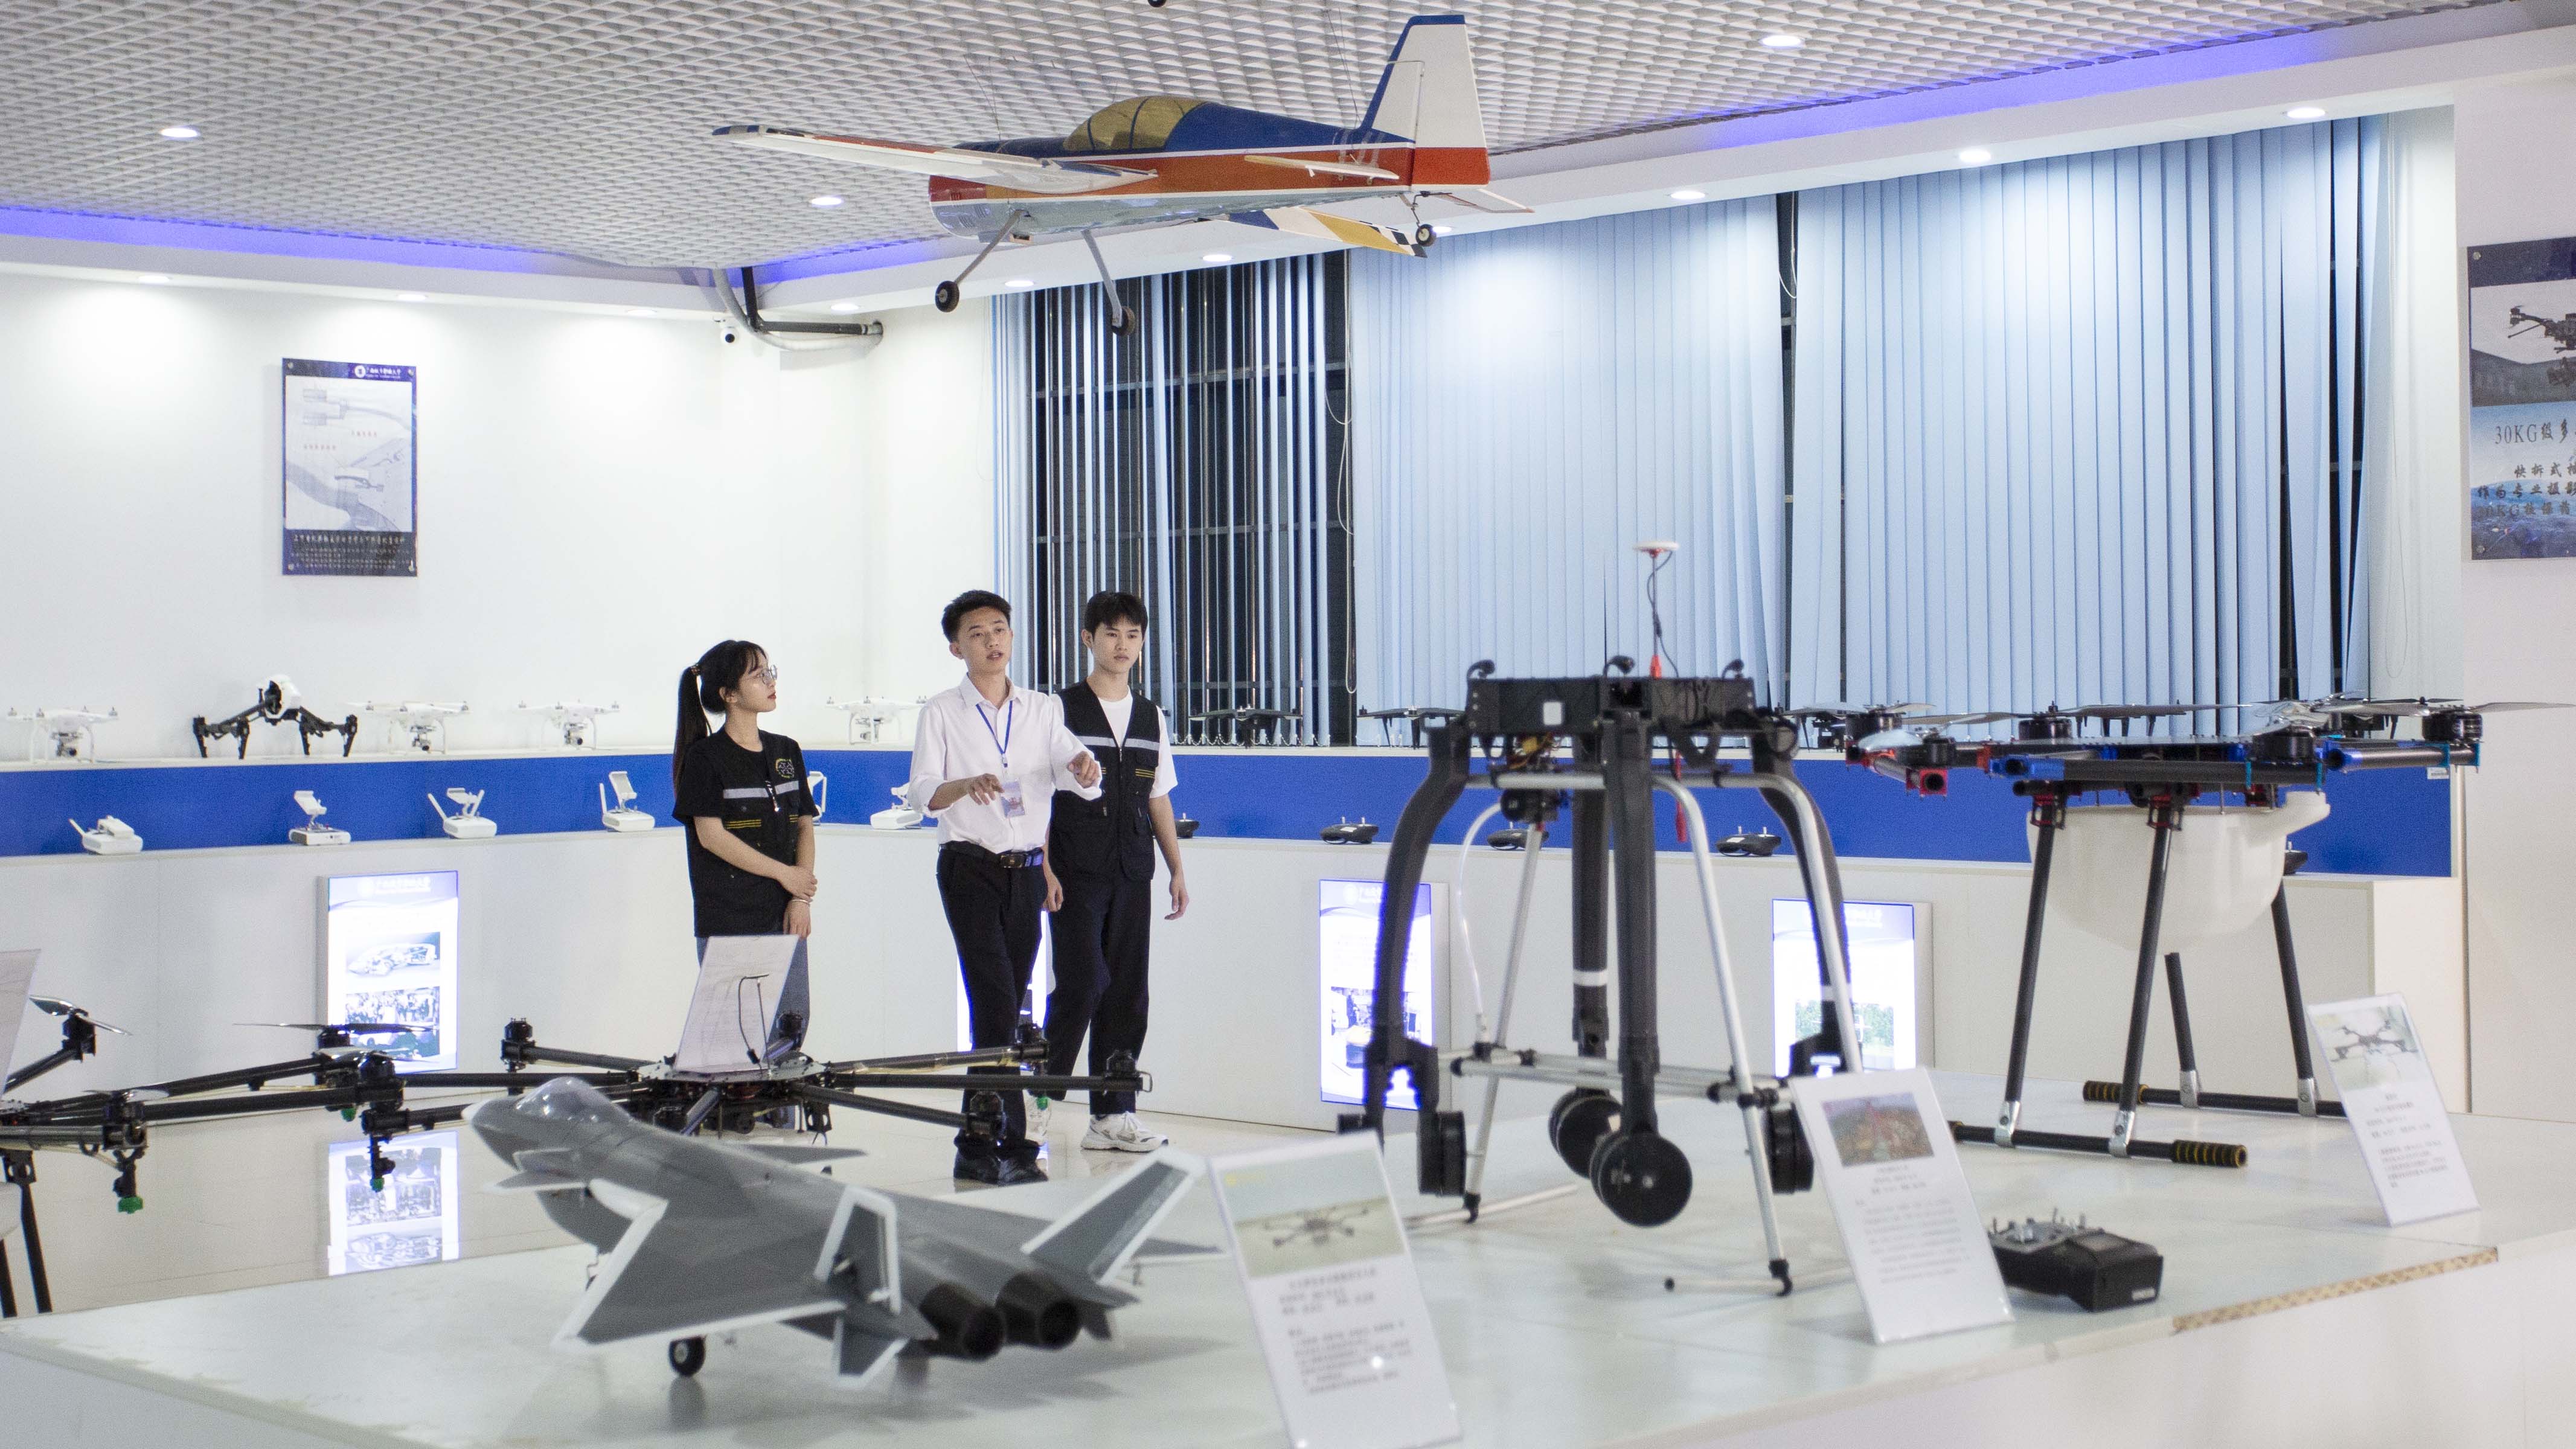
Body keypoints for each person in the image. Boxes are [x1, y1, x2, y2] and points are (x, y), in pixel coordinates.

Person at [905, 591, 1101, 1186]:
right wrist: (965, 784)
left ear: (1012, 638)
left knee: (1004, 1009)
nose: (992, 640)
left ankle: (976, 1142)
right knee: (994, 1004)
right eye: (977, 633)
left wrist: (1086, 767)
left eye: (999, 629)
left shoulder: (1041, 708)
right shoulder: (942, 712)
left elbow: (1072, 766)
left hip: (1027, 872)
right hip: (970, 868)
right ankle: (1012, 1144)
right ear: (956, 648)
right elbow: (923, 792)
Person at [1034, 590, 1189, 1153]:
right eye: (1111, 634)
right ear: (1088, 639)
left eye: (1133, 635)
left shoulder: (1150, 716)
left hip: (1132, 870)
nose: (1123, 646)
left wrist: (1176, 868)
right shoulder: (1058, 710)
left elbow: (1158, 796)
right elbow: (1039, 795)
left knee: (1127, 992)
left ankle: (1113, 1115)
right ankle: (1036, 1102)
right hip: (1075, 871)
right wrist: (1044, 868)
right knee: (1081, 985)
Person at [670, 639, 818, 1056]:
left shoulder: (786, 750)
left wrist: (799, 897)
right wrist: (785, 874)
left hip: (785, 913)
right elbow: (711, 836)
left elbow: (804, 824)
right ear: (728, 695)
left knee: (791, 1028)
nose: (770, 682)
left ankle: (781, 1102)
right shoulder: (705, 758)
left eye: (771, 671)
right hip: (730, 917)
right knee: (736, 1038)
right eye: (758, 675)